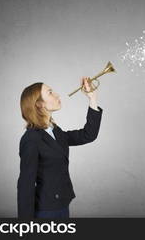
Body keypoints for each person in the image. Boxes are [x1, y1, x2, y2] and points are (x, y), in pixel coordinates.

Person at [17, 77, 103, 218]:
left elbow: (88, 135)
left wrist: (92, 98)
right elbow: (25, 185)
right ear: (38, 104)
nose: (57, 95)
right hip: (46, 210)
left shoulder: (55, 131)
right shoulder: (31, 139)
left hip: (62, 204)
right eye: (50, 92)